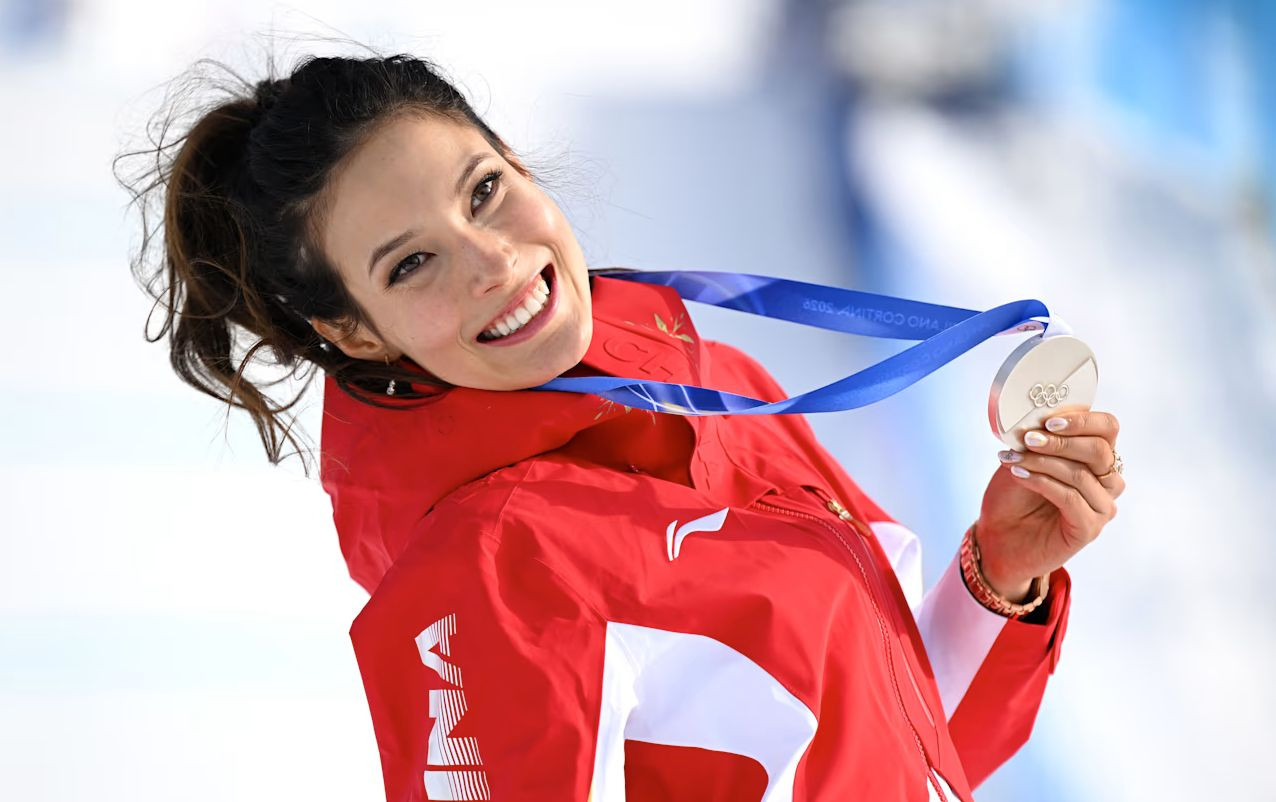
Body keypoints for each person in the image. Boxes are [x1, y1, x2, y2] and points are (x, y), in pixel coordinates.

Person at [120, 51, 1124, 801]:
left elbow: (895, 747)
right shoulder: (488, 571)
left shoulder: (717, 389)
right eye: (411, 264)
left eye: (484, 193)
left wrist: (999, 578)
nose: (493, 262)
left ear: (518, 164)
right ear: (355, 332)